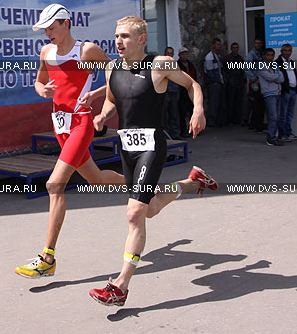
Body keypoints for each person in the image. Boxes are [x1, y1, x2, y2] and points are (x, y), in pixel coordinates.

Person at [88, 16, 218, 306]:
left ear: (141, 39)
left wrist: (198, 110)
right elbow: (112, 99)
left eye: (124, 36)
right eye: (116, 36)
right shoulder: (111, 68)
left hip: (151, 146)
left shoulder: (160, 65)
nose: (118, 41)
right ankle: (191, 182)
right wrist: (103, 115)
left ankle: (120, 286)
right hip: (127, 147)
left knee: (134, 214)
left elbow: (193, 85)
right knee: (150, 209)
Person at [15, 3, 125, 278]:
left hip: (81, 123)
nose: (48, 34)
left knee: (54, 185)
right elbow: (39, 82)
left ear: (66, 24)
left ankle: (47, 258)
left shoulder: (86, 51)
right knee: (96, 179)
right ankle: (139, 184)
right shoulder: (46, 52)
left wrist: (96, 94)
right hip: (59, 125)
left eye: (51, 28)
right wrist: (43, 90)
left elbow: (117, 74)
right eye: (44, 29)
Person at [258, 48, 284, 146]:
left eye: (272, 55)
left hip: (277, 92)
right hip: (269, 93)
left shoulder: (275, 65)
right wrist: (275, 76)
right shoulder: (261, 65)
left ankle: (274, 136)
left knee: (277, 117)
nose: (270, 57)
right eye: (268, 55)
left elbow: (282, 78)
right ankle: (271, 138)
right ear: (265, 56)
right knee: (273, 117)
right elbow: (269, 77)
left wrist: (274, 76)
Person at [276, 44, 297, 141]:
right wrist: (284, 88)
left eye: (289, 50)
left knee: (290, 114)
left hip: (293, 90)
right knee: (283, 113)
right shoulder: (277, 62)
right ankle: (282, 134)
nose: (287, 52)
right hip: (285, 90)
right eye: (285, 50)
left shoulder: (291, 62)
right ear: (281, 51)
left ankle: (288, 132)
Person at [203, 38, 226, 127]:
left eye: (220, 45)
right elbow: (209, 71)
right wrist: (216, 80)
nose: (219, 47)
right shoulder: (209, 57)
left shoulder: (218, 56)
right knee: (214, 102)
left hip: (219, 82)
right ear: (213, 45)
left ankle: (218, 120)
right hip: (214, 83)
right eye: (217, 45)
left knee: (219, 102)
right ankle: (211, 121)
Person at [244, 38, 266, 132]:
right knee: (256, 104)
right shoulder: (251, 55)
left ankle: (255, 124)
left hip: (261, 81)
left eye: (259, 43)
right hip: (255, 83)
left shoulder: (261, 54)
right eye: (256, 43)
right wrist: (254, 79)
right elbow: (247, 69)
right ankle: (255, 125)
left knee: (259, 105)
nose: (258, 45)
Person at [162, 47, 182, 139]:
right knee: (165, 116)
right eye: (168, 53)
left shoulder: (175, 65)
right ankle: (166, 135)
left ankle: (176, 134)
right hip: (165, 93)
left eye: (171, 53)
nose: (169, 55)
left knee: (175, 115)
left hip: (174, 92)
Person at [224, 42, 245, 124]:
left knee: (238, 102)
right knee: (230, 102)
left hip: (239, 83)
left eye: (236, 47)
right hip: (231, 83)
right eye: (234, 48)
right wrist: (228, 81)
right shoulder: (227, 58)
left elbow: (242, 70)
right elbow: (225, 71)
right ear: (231, 49)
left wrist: (242, 80)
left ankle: (237, 119)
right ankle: (230, 119)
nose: (235, 49)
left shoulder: (240, 58)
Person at [177, 46, 196, 136]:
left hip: (191, 90)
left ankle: (193, 129)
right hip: (182, 91)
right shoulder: (177, 65)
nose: (184, 56)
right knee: (182, 112)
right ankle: (183, 130)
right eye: (182, 54)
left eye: (186, 54)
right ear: (179, 55)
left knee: (192, 111)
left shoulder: (190, 65)